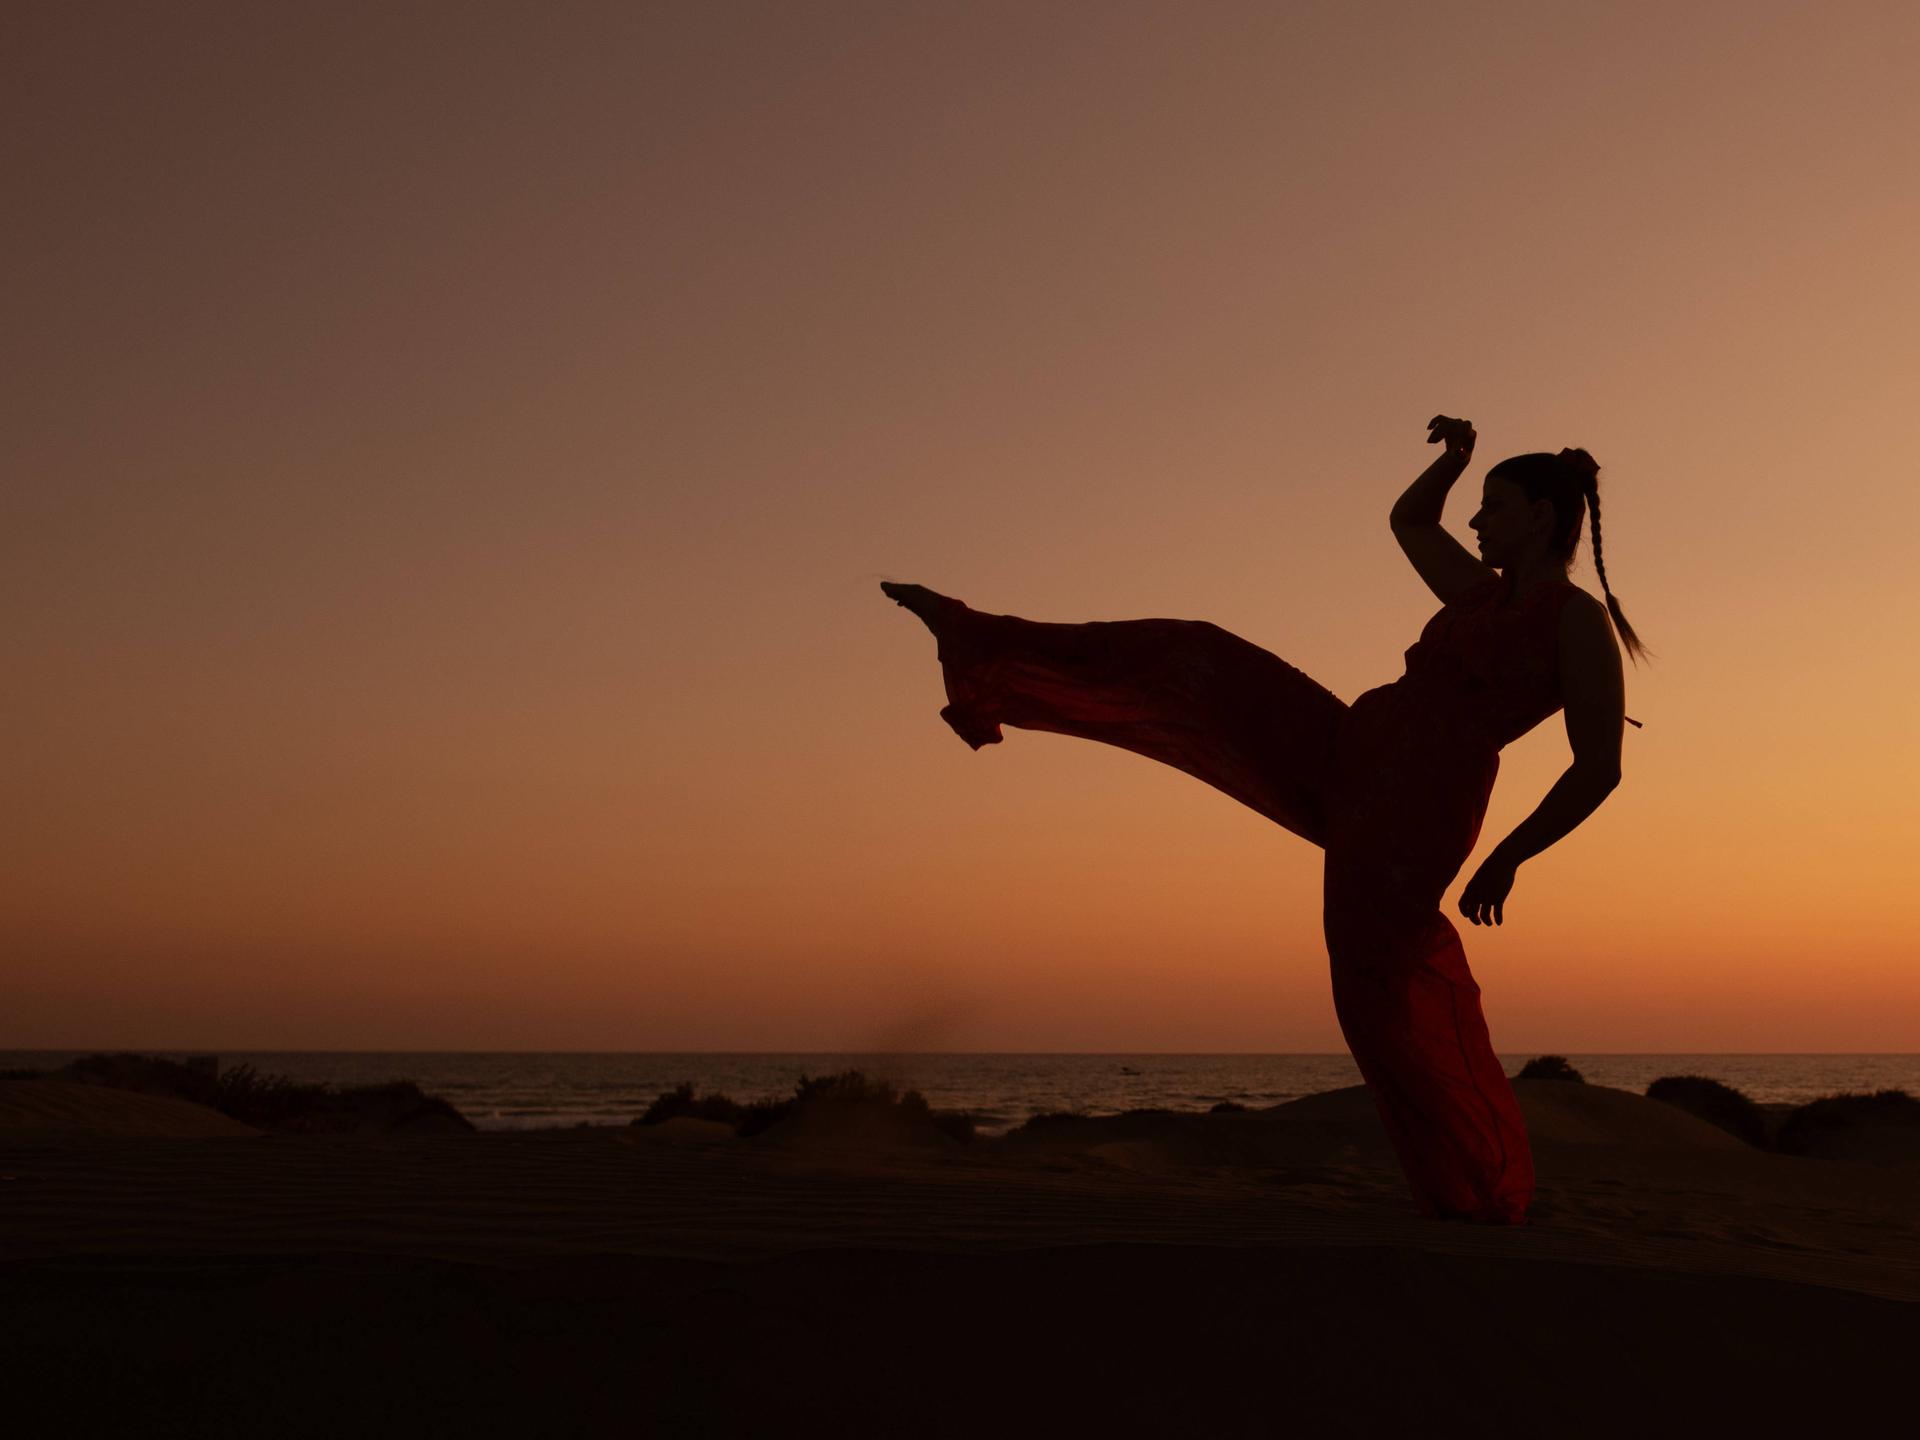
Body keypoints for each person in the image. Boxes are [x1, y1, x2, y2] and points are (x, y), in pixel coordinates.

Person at [880, 415, 1649, 1224]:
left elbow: (1598, 766)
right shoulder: (1478, 595)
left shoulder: (1575, 621)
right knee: (1197, 656)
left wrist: (1509, 856)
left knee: (1376, 991)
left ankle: (1477, 1186)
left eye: (1493, 505)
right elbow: (1410, 522)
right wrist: (1454, 461)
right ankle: (976, 640)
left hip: (1419, 802)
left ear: (1539, 515)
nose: (1477, 519)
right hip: (1351, 746)